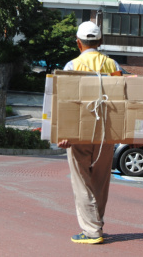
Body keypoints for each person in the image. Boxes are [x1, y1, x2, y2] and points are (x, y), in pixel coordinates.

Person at [58, 21, 122, 244]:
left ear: (78, 43)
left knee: (82, 180)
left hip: (78, 132)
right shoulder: (113, 65)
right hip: (108, 132)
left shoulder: (71, 66)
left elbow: (66, 102)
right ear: (100, 42)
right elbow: (122, 101)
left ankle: (92, 231)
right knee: (101, 180)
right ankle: (97, 223)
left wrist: (64, 132)